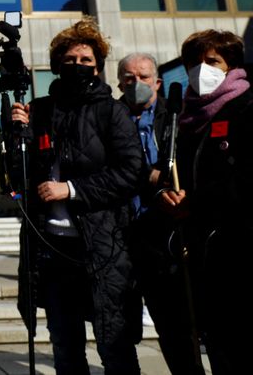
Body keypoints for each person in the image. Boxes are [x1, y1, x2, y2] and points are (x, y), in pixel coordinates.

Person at [11, 18, 142, 375]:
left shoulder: (111, 111)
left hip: (103, 248)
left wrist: (71, 190)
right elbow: (16, 176)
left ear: (98, 67)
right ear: (56, 65)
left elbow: (131, 171)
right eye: (70, 60)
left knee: (114, 347)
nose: (78, 66)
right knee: (65, 349)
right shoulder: (41, 110)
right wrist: (18, 135)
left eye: (87, 61)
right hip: (53, 251)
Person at [160, 30, 253, 374]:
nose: (202, 70)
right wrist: (166, 196)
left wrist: (196, 202)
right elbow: (168, 173)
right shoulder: (185, 120)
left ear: (231, 66)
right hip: (201, 253)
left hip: (239, 252)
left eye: (212, 62)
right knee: (219, 348)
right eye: (193, 64)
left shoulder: (246, 108)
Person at [118, 53, 204, 375]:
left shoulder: (176, 116)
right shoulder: (111, 118)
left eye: (143, 77)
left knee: (179, 325)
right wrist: (147, 175)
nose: (136, 83)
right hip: (126, 233)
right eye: (128, 78)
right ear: (119, 83)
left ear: (157, 82)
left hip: (168, 234)